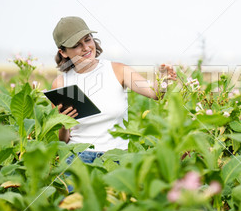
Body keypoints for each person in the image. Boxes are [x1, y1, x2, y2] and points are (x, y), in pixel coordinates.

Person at [51, 16, 176, 163]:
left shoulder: (118, 70)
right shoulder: (60, 84)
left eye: (88, 39)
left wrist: (163, 80)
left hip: (116, 157)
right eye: (76, 45)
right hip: (77, 159)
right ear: (63, 52)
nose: (86, 47)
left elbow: (154, 93)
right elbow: (62, 140)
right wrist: (65, 124)